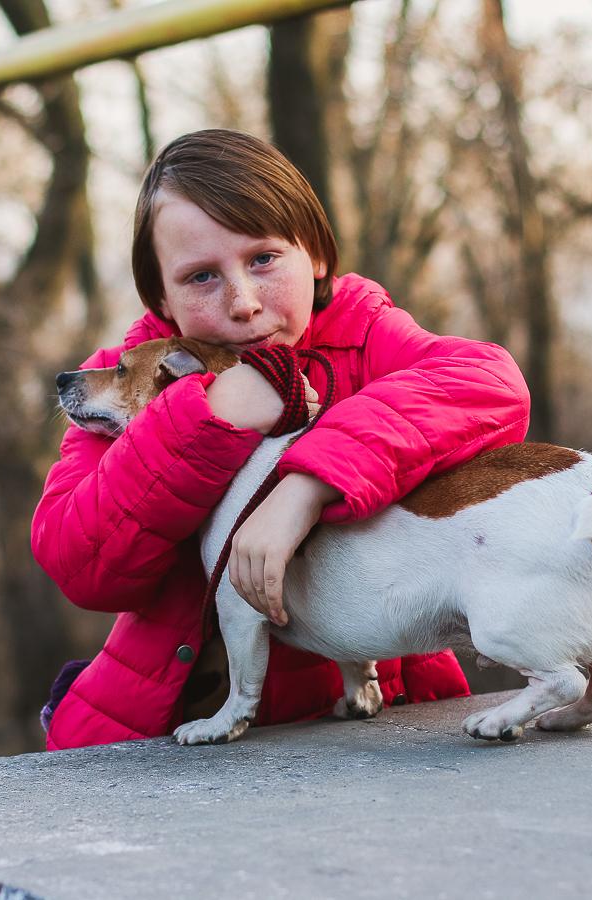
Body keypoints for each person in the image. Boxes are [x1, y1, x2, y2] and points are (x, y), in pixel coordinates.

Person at [32, 128, 530, 750]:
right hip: (178, 743)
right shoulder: (122, 382)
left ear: (316, 256)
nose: (243, 303)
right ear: (160, 293)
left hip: (383, 726)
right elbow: (81, 564)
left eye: (263, 259)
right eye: (201, 277)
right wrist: (209, 419)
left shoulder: (360, 336)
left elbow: (491, 384)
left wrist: (307, 484)